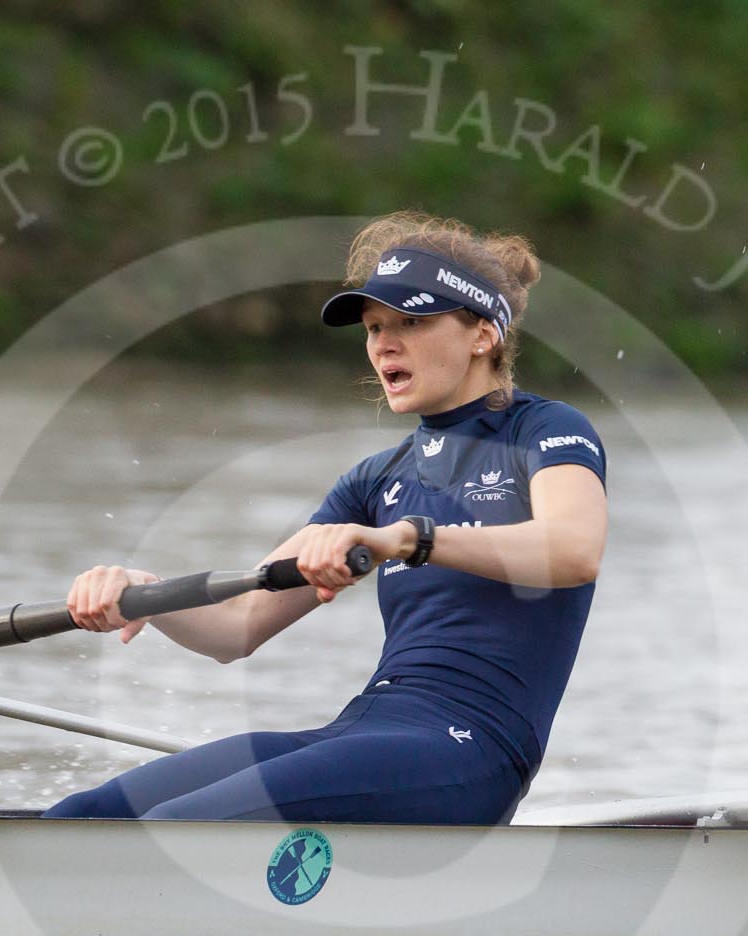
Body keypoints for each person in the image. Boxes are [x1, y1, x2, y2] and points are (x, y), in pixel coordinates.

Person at [45, 212, 608, 823]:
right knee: (83, 817)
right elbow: (236, 627)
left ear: (481, 335)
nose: (384, 344)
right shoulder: (376, 480)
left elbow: (574, 551)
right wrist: (145, 593)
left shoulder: (546, 430)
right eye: (373, 328)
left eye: (412, 322)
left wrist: (406, 540)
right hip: (364, 730)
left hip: (469, 752)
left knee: (173, 829)